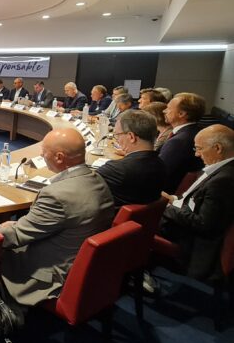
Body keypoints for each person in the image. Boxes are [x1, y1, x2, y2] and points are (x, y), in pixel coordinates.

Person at [0, 128, 114, 309]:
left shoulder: (57, 195)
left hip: (49, 276)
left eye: (44, 151)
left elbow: (15, 236)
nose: (41, 155)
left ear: (59, 157)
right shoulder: (97, 179)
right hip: (82, 264)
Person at [159, 124, 234, 280]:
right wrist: (173, 199)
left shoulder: (224, 180)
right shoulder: (222, 169)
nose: (196, 154)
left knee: (134, 221)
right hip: (183, 217)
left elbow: (204, 224)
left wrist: (166, 207)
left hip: (189, 241)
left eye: (199, 148)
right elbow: (194, 202)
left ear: (218, 148)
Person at [97, 110, 166, 209]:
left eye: (117, 135)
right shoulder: (161, 164)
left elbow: (82, 183)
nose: (117, 140)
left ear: (131, 137)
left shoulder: (117, 169)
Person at [159, 92, 206, 193]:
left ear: (181, 114)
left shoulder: (179, 142)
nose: (164, 111)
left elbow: (159, 173)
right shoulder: (195, 131)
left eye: (168, 108)